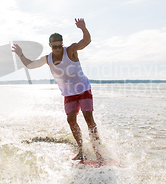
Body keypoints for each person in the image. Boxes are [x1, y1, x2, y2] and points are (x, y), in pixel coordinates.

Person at [12, 18, 103, 161]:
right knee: (71, 120)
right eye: (54, 47)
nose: (58, 49)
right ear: (50, 45)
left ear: (62, 44)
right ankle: (81, 151)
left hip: (83, 88)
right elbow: (30, 65)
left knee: (88, 118)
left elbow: (86, 41)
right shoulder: (48, 59)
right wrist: (20, 55)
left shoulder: (71, 50)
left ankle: (98, 152)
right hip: (69, 93)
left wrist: (83, 29)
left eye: (59, 46)